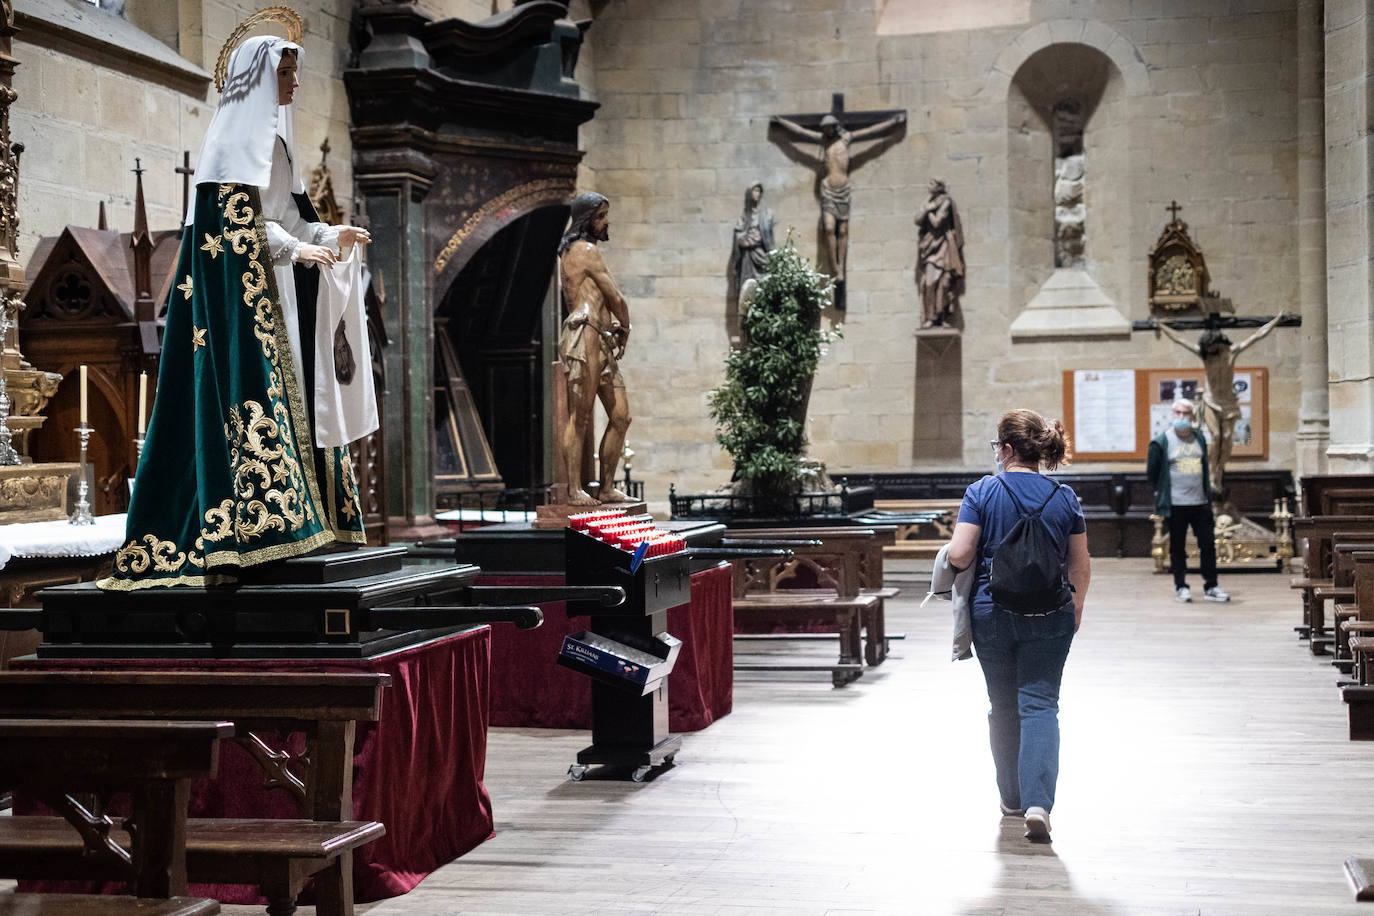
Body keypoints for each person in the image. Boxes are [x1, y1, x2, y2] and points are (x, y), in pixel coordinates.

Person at [101, 27, 373, 589]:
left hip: (281, 298)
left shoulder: (277, 145)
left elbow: (289, 218)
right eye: (286, 72)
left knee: (301, 395)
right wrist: (295, 247)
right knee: (259, 398)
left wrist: (327, 231)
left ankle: (308, 518)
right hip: (245, 307)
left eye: (295, 71)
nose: (295, 82)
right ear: (260, 78)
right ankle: (256, 530)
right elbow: (234, 226)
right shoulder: (230, 148)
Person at [947, 409, 1091, 841]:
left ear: (1006, 449)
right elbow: (1080, 562)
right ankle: (1037, 804)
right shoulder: (1065, 497)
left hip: (993, 614)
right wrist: (1076, 608)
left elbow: (960, 554)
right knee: (1041, 705)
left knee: (1003, 706)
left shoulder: (982, 491)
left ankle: (1010, 798)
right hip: (1052, 613)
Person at [770, 111, 905, 285]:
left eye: (828, 128)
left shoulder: (847, 139)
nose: (826, 131)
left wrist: (893, 122)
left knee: (842, 231)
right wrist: (781, 121)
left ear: (834, 127)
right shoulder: (823, 142)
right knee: (828, 228)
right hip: (828, 189)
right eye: (824, 128)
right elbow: (801, 132)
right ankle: (834, 266)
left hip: (843, 190)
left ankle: (841, 265)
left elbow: (871, 131)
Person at [558, 192, 632, 506]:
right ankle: (574, 490)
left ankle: (606, 488)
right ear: (588, 219)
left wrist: (613, 328)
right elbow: (615, 298)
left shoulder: (585, 250)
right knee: (581, 416)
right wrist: (626, 326)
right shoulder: (584, 250)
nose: (605, 222)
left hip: (600, 336)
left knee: (621, 416)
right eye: (601, 216)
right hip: (584, 334)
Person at [1146, 398, 1229, 603]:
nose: (1182, 417)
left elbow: (1204, 466)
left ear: (1192, 416)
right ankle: (1181, 586)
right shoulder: (1161, 441)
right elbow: (1152, 473)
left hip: (1200, 503)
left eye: (1186, 413)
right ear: (1173, 415)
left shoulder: (1199, 438)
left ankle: (1211, 586)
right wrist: (1164, 492)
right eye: (1178, 413)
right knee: (1177, 547)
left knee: (1208, 545)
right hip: (1176, 504)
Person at [915, 177, 965, 328]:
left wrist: (928, 210)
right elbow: (917, 220)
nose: (927, 186)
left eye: (931, 183)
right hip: (929, 248)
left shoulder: (946, 202)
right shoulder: (928, 201)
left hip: (944, 246)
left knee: (944, 283)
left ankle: (942, 316)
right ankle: (931, 317)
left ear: (939, 186)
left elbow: (937, 222)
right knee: (929, 282)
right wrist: (926, 208)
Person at [727, 182, 775, 315]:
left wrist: (758, 238)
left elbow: (769, 238)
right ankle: (747, 318)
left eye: (759, 191)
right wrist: (747, 238)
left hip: (761, 254)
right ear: (749, 193)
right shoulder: (745, 215)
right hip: (748, 257)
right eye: (754, 190)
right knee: (747, 288)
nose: (757, 194)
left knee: (764, 285)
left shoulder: (767, 214)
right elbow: (738, 234)